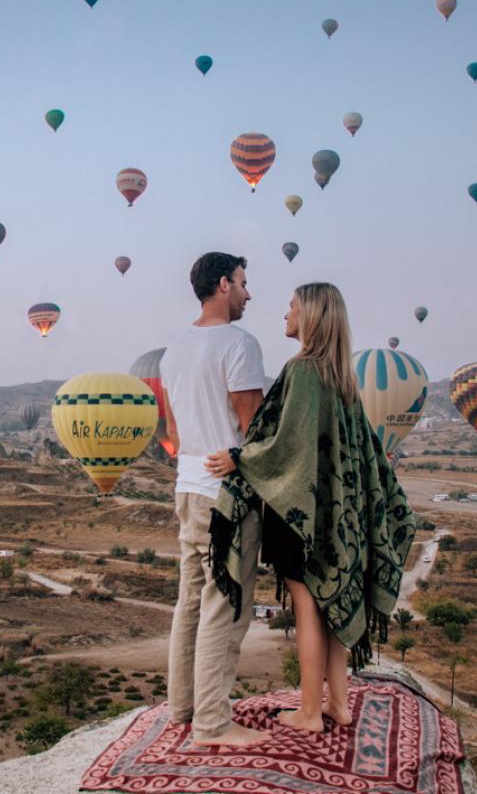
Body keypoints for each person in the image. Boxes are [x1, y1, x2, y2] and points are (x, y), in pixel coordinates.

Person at [206, 282, 415, 734]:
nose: (285, 314)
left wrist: (239, 458)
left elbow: (286, 445)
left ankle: (307, 712)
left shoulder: (302, 371)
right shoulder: (341, 377)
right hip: (339, 512)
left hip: (299, 513)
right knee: (335, 600)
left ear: (312, 317)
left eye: (292, 307)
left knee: (308, 609)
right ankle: (338, 704)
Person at [159, 252, 268, 747]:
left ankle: (182, 709)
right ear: (224, 284)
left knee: (191, 602)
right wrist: (244, 457)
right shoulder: (239, 344)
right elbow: (258, 430)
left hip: (187, 485)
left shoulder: (174, 349)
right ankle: (212, 724)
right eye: (244, 283)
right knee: (225, 606)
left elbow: (176, 432)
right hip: (225, 494)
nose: (248, 293)